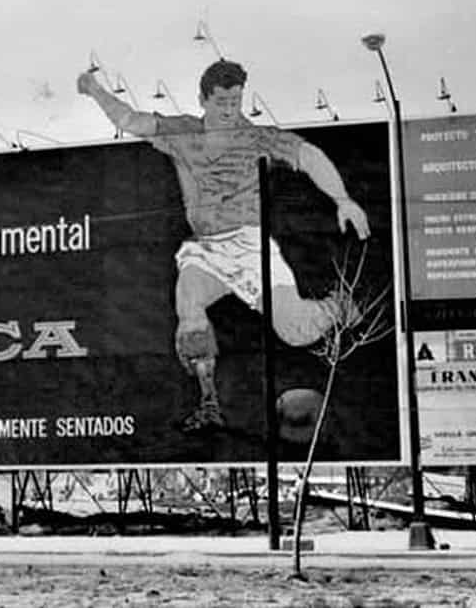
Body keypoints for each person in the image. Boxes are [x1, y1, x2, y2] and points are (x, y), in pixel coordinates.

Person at [77, 59, 370, 432]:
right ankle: (209, 401)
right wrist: (93, 88)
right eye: (222, 103)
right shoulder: (183, 132)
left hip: (250, 248)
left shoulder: (257, 137)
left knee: (294, 331)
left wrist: (342, 199)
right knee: (189, 302)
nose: (231, 111)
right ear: (203, 100)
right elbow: (130, 121)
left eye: (236, 102)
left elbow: (309, 156)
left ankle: (338, 307)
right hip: (208, 249)